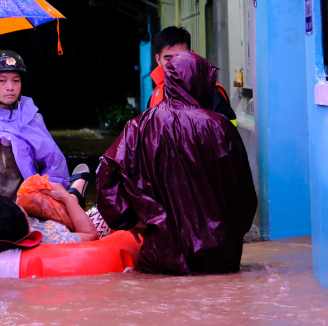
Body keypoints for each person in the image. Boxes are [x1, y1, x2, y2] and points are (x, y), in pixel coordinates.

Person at [97, 51, 258, 275]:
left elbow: (106, 175)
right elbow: (244, 196)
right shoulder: (221, 127)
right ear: (202, 83)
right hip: (220, 254)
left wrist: (130, 220)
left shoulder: (139, 126)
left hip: (162, 253)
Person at [0, 50, 73, 236]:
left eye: (16, 81)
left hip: (14, 216)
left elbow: (54, 164)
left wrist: (42, 201)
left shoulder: (31, 118)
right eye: (2, 80)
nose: (10, 87)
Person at [0, 166, 99, 252]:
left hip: (32, 226)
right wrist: (65, 197)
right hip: (71, 228)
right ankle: (73, 195)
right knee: (100, 213)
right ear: (26, 219)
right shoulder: (52, 239)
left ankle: (74, 196)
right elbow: (92, 235)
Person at [147, 26, 237, 126]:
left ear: (192, 55)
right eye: (169, 59)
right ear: (158, 60)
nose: (175, 65)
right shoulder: (154, 100)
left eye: (181, 57)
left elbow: (229, 137)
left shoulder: (212, 95)